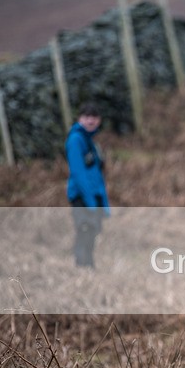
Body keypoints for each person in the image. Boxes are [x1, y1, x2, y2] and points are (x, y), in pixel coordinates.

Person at [65, 102, 110, 268]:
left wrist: (102, 204)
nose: (90, 121)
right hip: (82, 196)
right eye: (87, 117)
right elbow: (78, 173)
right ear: (80, 119)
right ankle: (81, 266)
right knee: (84, 230)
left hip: (93, 195)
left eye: (94, 117)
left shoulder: (90, 141)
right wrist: (90, 201)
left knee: (92, 232)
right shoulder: (76, 140)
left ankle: (89, 265)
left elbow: (97, 174)